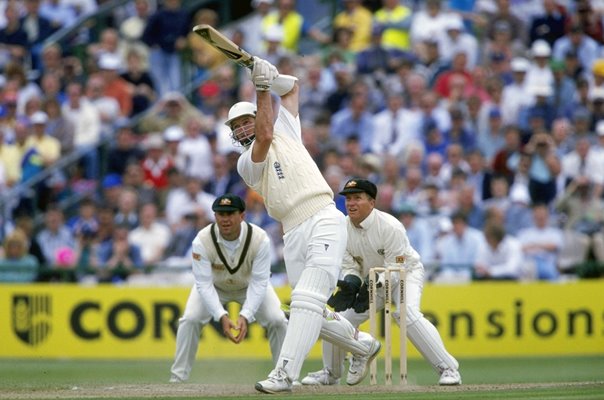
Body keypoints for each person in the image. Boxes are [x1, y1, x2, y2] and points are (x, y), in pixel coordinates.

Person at [227, 57, 380, 393]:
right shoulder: (245, 162)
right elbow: (264, 136)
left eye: (244, 121)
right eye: (235, 126)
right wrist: (262, 86)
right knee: (303, 307)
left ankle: (284, 374)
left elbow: (293, 88)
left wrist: (268, 73)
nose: (241, 129)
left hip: (324, 215)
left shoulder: (286, 127)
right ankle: (363, 346)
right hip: (292, 230)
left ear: (255, 116)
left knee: (308, 299)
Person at [300, 178, 461, 387]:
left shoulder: (390, 226)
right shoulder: (342, 228)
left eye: (357, 198)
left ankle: (448, 369)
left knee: (407, 314)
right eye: (348, 199)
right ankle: (331, 373)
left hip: (405, 274)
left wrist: (373, 283)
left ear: (372, 203)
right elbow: (351, 265)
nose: (351, 203)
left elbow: (399, 264)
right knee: (337, 318)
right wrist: (351, 283)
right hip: (372, 280)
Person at [169, 194, 288, 383]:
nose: (225, 219)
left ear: (242, 215)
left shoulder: (260, 239)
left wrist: (245, 315)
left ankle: (284, 375)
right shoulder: (202, 240)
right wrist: (221, 316)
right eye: (220, 214)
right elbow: (203, 283)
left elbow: (259, 282)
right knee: (190, 319)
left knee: (277, 320)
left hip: (250, 286)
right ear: (215, 216)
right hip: (215, 287)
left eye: (230, 214)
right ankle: (178, 378)